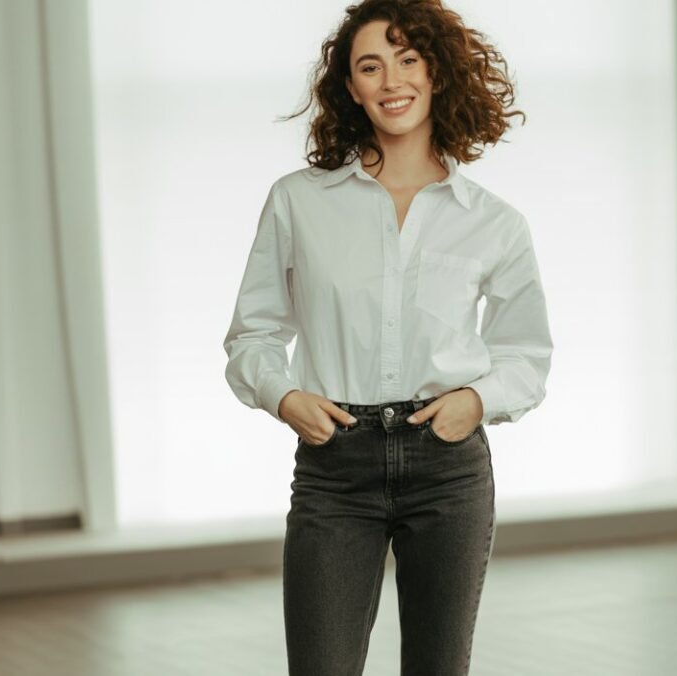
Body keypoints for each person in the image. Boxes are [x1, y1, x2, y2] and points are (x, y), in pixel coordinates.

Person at [222, 0, 553, 673]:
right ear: (351, 88)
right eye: (370, 66)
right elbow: (252, 334)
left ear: (436, 73)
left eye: (408, 59)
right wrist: (285, 397)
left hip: (448, 467)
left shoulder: (494, 223)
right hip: (334, 468)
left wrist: (477, 402)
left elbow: (526, 355)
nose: (391, 80)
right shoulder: (298, 202)